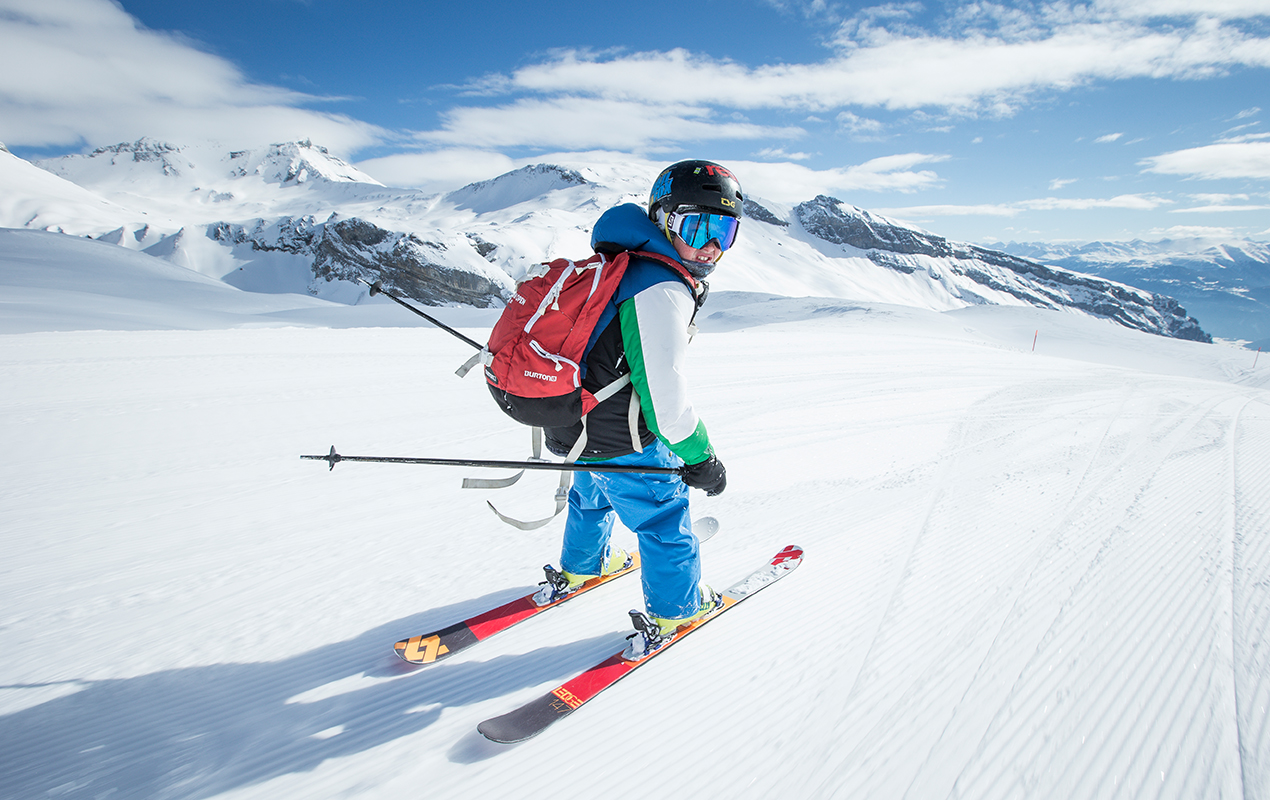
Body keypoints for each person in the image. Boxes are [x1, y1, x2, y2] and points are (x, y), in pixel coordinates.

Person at [532, 159, 743, 656]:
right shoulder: (660, 285)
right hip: (623, 437)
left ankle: (581, 566)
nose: (711, 246)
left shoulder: (617, 262)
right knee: (663, 518)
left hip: (572, 425)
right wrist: (700, 457)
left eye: (725, 230)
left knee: (592, 493)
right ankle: (677, 611)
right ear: (663, 220)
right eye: (698, 225)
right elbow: (666, 401)